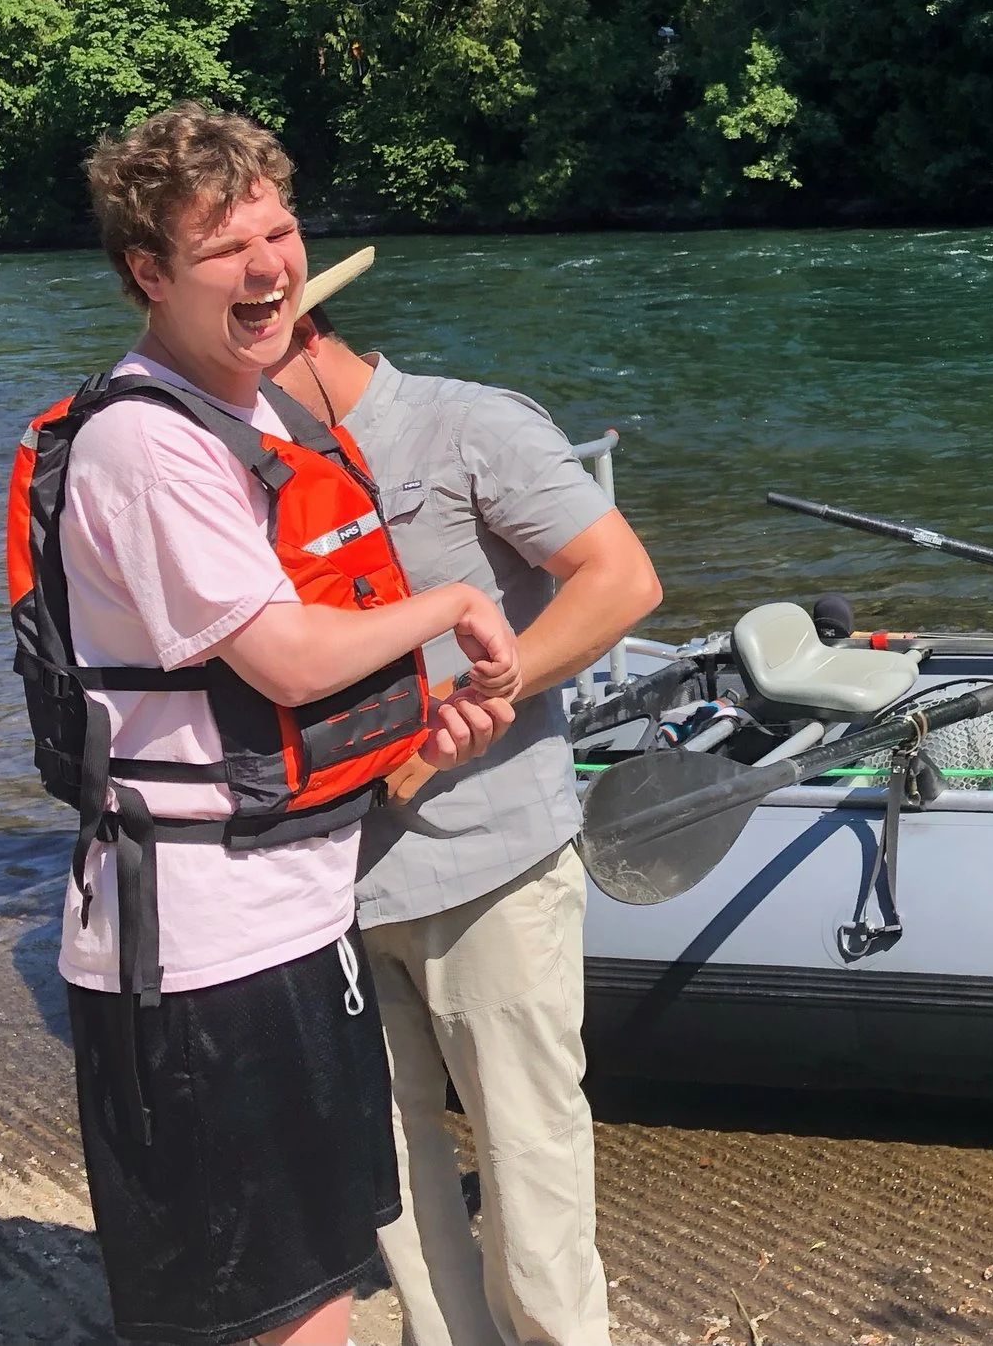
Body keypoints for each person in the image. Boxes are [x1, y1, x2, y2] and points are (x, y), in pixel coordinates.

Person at [12, 104, 519, 1346]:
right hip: (196, 957)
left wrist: (412, 727)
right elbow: (284, 659)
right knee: (276, 1316)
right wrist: (449, 603)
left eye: (281, 231)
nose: (271, 267)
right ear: (147, 274)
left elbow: (301, 683)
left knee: (322, 1282)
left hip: (294, 917)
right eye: (225, 249)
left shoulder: (263, 416)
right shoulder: (146, 444)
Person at [270, 254, 661, 1346]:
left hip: (490, 865)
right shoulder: (247, 469)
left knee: (530, 1166)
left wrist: (465, 716)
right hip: (327, 887)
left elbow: (622, 581)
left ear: (303, 333)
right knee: (388, 1181)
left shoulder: (467, 426)